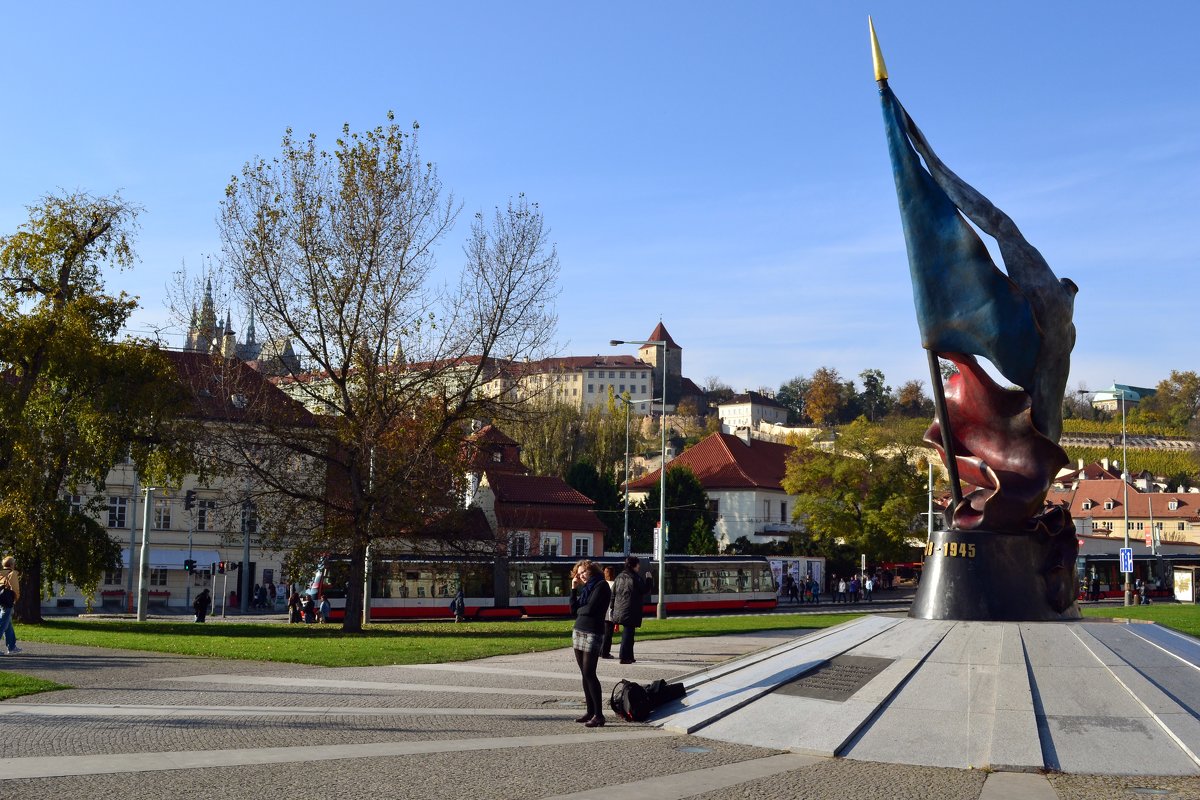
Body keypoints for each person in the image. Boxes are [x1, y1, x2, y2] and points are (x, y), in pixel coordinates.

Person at [569, 559, 611, 728]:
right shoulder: (586, 588)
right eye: (579, 574)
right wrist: (573, 588)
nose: (581, 576)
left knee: (590, 673)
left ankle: (599, 715)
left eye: (583, 572)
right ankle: (590, 711)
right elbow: (573, 610)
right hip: (578, 631)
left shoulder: (601, 586)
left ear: (591, 570)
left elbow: (591, 609)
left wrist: (581, 610)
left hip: (593, 632)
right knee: (584, 674)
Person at [611, 555, 645, 665]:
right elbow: (644, 590)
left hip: (620, 609)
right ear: (634, 565)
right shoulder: (634, 577)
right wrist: (649, 579)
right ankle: (624, 657)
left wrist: (612, 608)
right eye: (638, 564)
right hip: (630, 609)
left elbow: (613, 593)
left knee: (630, 633)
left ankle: (630, 656)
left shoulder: (619, 576)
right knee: (628, 634)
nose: (639, 566)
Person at [0, 556, 21, 654]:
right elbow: (15, 588)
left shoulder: (0, 574)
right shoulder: (12, 574)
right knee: (2, 624)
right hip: (8, 602)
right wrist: (16, 599)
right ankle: (12, 647)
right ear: (12, 564)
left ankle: (12, 646)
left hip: (1, 601)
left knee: (8, 624)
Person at [601, 566, 617, 659]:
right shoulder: (615, 584)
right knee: (608, 634)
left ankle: (600, 651)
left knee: (602, 633)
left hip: (602, 612)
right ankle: (605, 652)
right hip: (610, 613)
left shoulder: (602, 584)